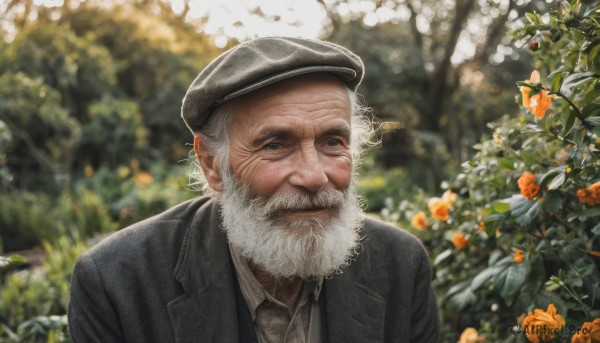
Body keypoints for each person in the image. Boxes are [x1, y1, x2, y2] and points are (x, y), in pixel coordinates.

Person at [68, 36, 440, 343]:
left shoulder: (401, 264)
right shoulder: (116, 282)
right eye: (275, 144)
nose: (313, 177)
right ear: (212, 164)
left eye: (332, 142)